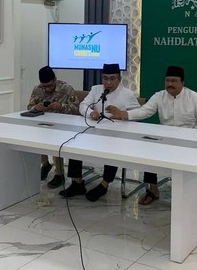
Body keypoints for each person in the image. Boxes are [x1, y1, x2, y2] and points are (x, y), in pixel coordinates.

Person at [106, 66, 197, 205]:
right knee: (148, 150)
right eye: (167, 81)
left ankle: (189, 192)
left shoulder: (195, 98)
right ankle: (153, 190)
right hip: (165, 140)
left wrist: (188, 138)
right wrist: (124, 114)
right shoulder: (159, 96)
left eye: (174, 81)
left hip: (188, 141)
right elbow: (144, 111)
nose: (170, 84)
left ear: (182, 83)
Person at [59, 63, 141, 201]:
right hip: (95, 131)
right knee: (75, 142)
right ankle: (77, 182)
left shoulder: (127, 94)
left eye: (112, 79)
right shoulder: (96, 90)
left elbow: (138, 113)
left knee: (113, 149)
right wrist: (91, 113)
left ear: (119, 79)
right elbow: (83, 105)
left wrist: (122, 114)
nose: (108, 82)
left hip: (116, 135)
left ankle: (104, 184)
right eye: (105, 78)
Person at [27, 66, 80, 188]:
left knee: (56, 140)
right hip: (43, 122)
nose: (47, 89)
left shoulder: (66, 89)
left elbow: (77, 110)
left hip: (63, 124)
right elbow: (29, 106)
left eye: (50, 86)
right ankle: (45, 165)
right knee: (35, 137)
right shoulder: (38, 89)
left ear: (55, 80)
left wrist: (61, 106)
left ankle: (59, 173)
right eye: (44, 86)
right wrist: (36, 107)